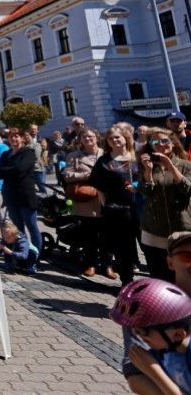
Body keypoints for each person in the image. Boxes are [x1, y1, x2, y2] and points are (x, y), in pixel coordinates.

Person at [112, 277, 191, 395]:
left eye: (143, 330)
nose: (136, 335)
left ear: (178, 335)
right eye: (133, 329)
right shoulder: (164, 348)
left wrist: (152, 369)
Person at [139, 128, 191, 283]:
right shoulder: (147, 164)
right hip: (153, 230)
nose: (160, 144)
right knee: (158, 277)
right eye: (155, 142)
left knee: (183, 277)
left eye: (164, 141)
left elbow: (187, 189)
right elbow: (145, 192)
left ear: (173, 144)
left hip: (181, 229)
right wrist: (147, 172)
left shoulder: (186, 165)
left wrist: (170, 166)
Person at [91, 125, 141, 285]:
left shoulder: (137, 158)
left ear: (125, 138)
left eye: (117, 137)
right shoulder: (104, 161)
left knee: (148, 247)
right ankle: (127, 282)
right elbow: (99, 188)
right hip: (118, 210)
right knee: (123, 249)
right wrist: (106, 206)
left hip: (141, 208)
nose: (114, 140)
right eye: (111, 138)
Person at [61, 127, 113, 278]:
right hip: (86, 201)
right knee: (89, 235)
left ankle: (107, 265)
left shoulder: (107, 154)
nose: (88, 139)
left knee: (107, 236)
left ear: (97, 137)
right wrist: (87, 174)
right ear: (80, 140)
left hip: (106, 200)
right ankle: (90, 264)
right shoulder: (73, 156)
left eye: (90, 136)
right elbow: (67, 175)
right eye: (84, 137)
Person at [0, 128, 42, 252]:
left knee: (32, 227)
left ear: (22, 138)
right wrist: (11, 170)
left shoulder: (28, 152)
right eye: (11, 136)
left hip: (25, 195)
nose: (14, 139)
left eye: (17, 136)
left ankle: (36, 255)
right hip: (10, 195)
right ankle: (23, 253)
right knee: (18, 229)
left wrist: (6, 170)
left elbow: (21, 170)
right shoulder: (6, 154)